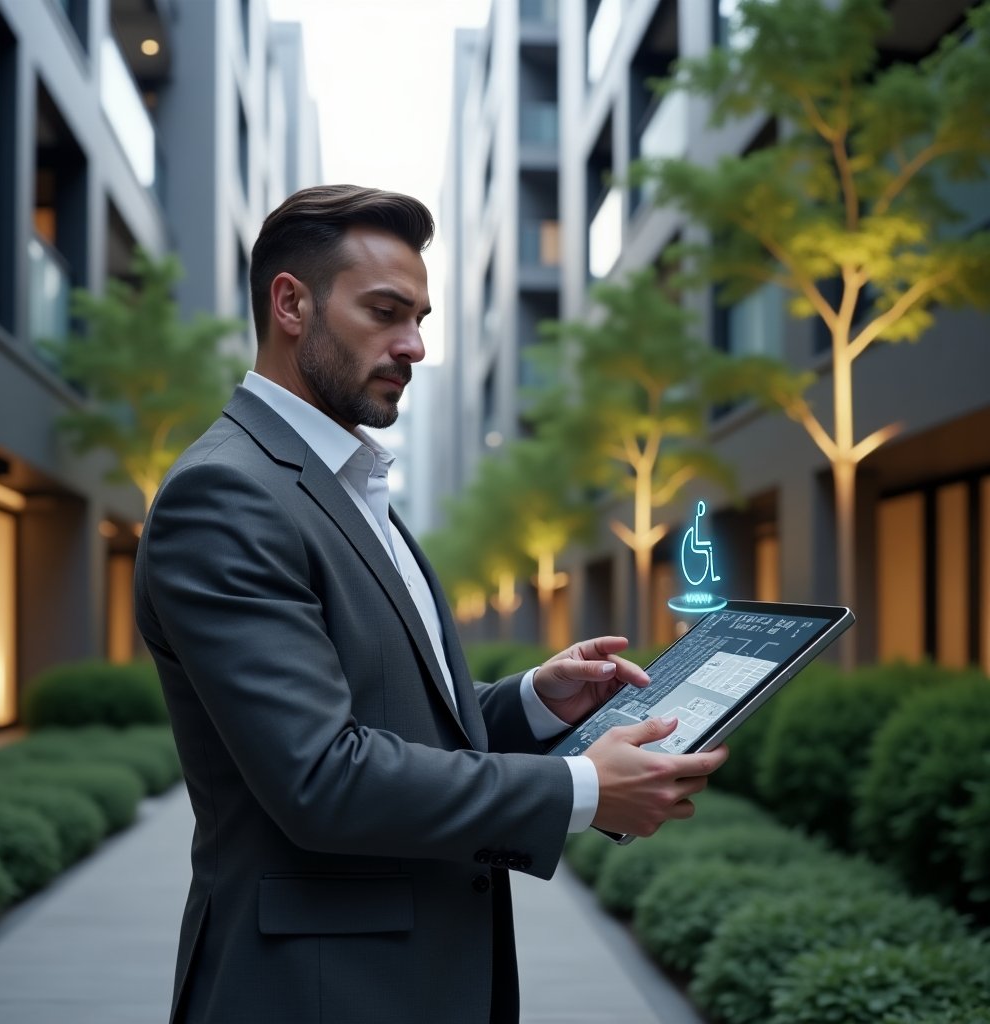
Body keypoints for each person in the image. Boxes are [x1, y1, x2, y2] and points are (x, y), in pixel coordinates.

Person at [134, 184, 728, 1024]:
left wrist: (533, 701)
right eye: (385, 311)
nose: (413, 344)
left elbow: (389, 717)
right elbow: (321, 777)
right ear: (291, 303)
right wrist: (581, 789)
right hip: (317, 993)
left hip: (408, 975)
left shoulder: (347, 486)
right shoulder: (227, 495)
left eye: (421, 317)